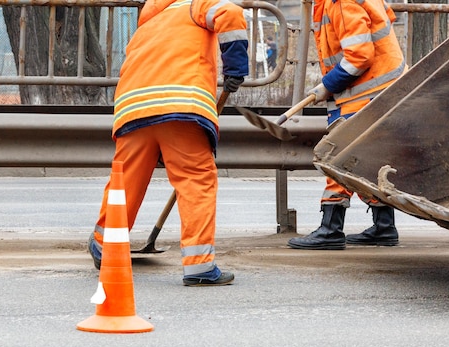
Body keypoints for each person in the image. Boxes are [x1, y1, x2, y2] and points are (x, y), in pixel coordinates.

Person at [88, 0, 249, 286]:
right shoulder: (196, 5)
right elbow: (231, 13)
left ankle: (104, 244)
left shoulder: (147, 25)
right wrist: (235, 68)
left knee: (125, 181)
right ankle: (199, 265)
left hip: (133, 110)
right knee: (195, 178)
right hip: (180, 105)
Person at [288, 0, 406, 250]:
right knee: (369, 161)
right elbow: (384, 21)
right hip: (380, 89)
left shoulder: (341, 3)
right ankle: (384, 227)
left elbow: (359, 56)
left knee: (338, 157)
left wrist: (327, 86)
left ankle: (331, 229)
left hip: (368, 92)